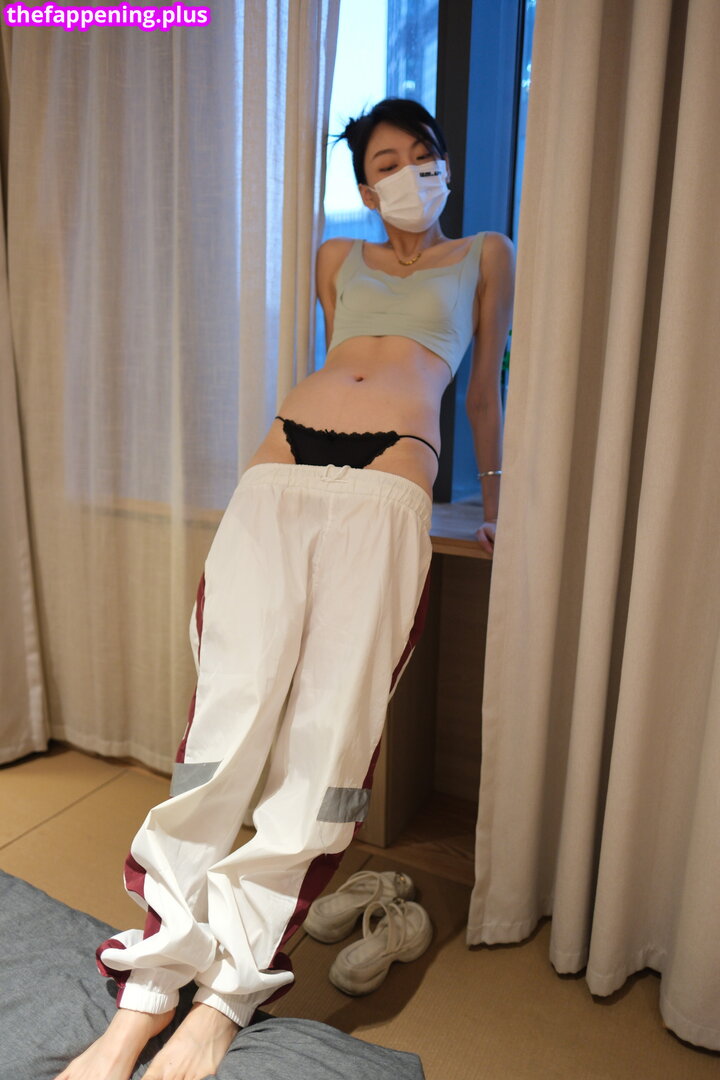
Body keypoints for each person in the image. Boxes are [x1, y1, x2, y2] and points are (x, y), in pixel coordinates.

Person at [55, 97, 515, 1080]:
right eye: (386, 162)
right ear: (365, 187)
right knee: (221, 735)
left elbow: (480, 391)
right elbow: (338, 355)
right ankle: (148, 988)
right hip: (278, 472)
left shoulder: (485, 254)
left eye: (422, 154)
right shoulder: (336, 258)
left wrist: (498, 499)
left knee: (326, 745)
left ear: (442, 164)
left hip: (390, 480)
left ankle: (227, 996)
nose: (410, 172)